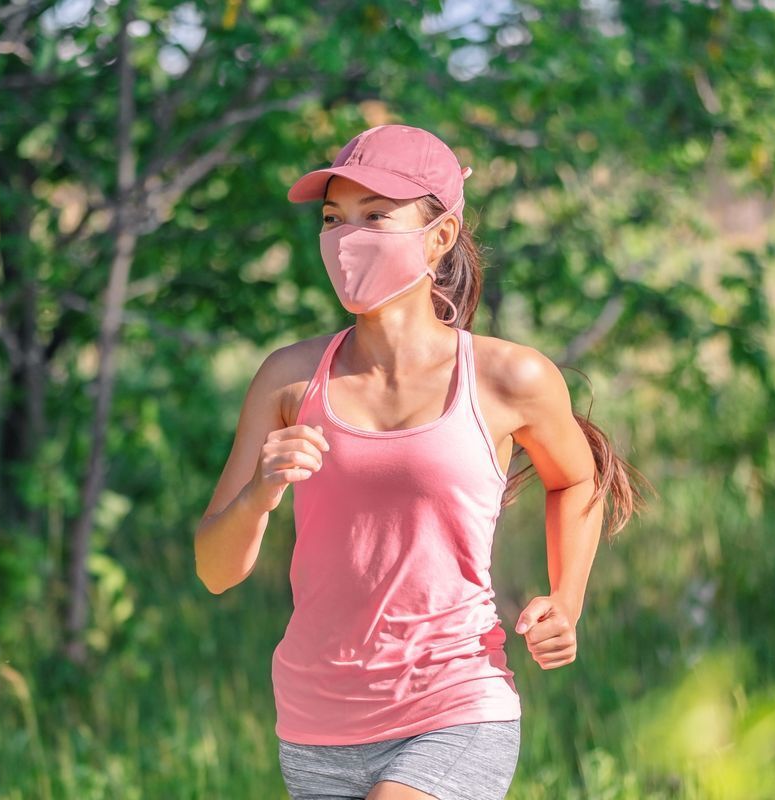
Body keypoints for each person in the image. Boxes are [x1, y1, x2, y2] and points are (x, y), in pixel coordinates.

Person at [194, 124, 649, 800]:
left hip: (455, 701)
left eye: (376, 216)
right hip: (317, 718)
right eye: (332, 219)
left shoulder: (508, 376)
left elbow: (577, 475)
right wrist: (260, 493)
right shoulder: (289, 380)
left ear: (439, 237)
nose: (347, 238)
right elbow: (214, 571)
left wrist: (567, 598)